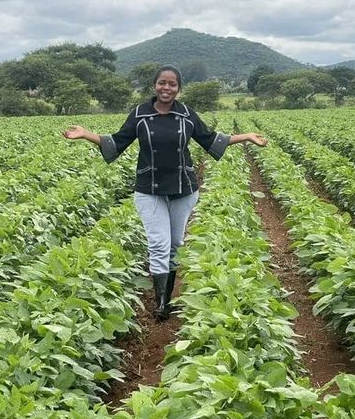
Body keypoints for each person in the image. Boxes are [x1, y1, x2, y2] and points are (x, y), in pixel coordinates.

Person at [63, 65, 268, 320]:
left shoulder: (186, 115)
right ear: (154, 85)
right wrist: (86, 135)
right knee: (159, 244)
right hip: (149, 189)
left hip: (183, 188)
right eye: (162, 83)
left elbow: (210, 138)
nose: (166, 88)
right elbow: (117, 141)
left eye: (172, 84)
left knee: (175, 244)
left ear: (178, 89)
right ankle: (161, 304)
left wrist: (246, 136)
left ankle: (167, 296)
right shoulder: (139, 114)